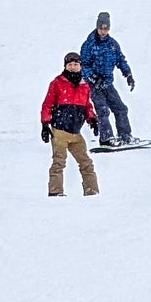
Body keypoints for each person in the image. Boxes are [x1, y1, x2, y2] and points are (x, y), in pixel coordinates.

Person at [40, 51, 100, 196]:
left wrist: (92, 119)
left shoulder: (84, 85)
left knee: (86, 163)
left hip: (75, 133)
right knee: (59, 162)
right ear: (66, 66)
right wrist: (45, 124)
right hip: (59, 131)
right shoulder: (57, 83)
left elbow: (87, 105)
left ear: (80, 66)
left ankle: (92, 193)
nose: (73, 67)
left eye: (76, 64)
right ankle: (55, 192)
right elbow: (47, 105)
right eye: (70, 64)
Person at [79, 12, 136, 148]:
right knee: (103, 110)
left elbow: (120, 60)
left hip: (108, 84)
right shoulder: (89, 44)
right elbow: (83, 65)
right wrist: (93, 77)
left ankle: (125, 135)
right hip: (94, 85)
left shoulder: (113, 44)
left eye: (106, 29)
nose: (103, 31)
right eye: (101, 28)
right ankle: (106, 137)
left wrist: (128, 74)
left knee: (121, 108)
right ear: (97, 27)